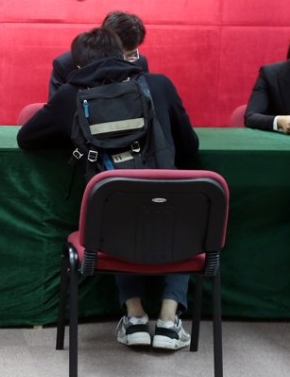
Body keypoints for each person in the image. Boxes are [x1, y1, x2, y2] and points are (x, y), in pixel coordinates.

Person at [19, 26, 199, 350]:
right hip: (169, 212)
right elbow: (191, 144)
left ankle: (135, 317)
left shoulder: (72, 95)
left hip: (111, 220)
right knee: (179, 208)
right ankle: (170, 321)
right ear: (124, 54)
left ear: (77, 65)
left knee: (116, 204)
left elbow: (27, 138)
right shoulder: (159, 84)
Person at [48, 10, 149, 99]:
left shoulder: (138, 62)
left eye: (130, 55)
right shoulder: (66, 64)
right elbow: (55, 112)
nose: (122, 63)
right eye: (117, 55)